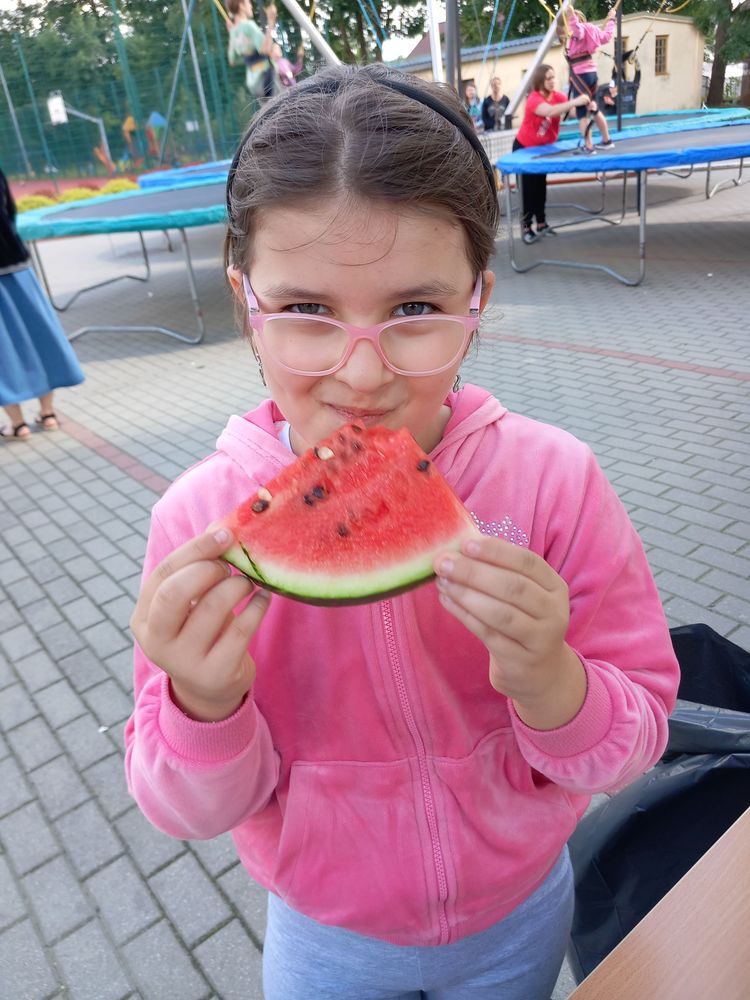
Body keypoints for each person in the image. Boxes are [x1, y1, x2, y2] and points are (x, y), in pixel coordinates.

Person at [126, 64, 679, 1000]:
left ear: (479, 300)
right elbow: (185, 808)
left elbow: (635, 745)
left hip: (519, 912)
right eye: (306, 311)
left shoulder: (555, 482)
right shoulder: (199, 525)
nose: (362, 375)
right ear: (245, 303)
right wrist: (202, 705)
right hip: (325, 935)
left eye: (415, 310)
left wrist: (554, 683)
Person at [0, 167, 84, 440]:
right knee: (39, 338)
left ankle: (18, 424)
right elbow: (9, 212)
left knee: (2, 352)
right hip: (16, 264)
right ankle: (48, 414)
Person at [512, 64, 591, 243]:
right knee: (528, 190)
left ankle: (541, 223)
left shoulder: (558, 97)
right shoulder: (533, 99)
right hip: (524, 148)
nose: (552, 81)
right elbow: (550, 111)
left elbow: (572, 111)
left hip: (543, 150)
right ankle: (526, 227)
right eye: (548, 78)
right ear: (540, 80)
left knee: (540, 187)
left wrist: (587, 106)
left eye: (553, 77)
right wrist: (574, 102)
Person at [558, 5, 616, 153]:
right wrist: (611, 19)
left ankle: (589, 146)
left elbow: (578, 30)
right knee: (593, 108)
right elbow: (607, 36)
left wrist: (571, 16)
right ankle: (607, 140)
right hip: (591, 73)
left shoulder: (579, 31)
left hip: (581, 74)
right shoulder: (593, 30)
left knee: (581, 112)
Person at [227, 0, 278, 101]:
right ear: (241, 5)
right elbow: (265, 50)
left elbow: (232, 61)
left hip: (254, 83)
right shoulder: (249, 26)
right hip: (267, 79)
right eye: (248, 3)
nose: (251, 6)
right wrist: (271, 22)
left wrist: (232, 33)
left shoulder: (233, 32)